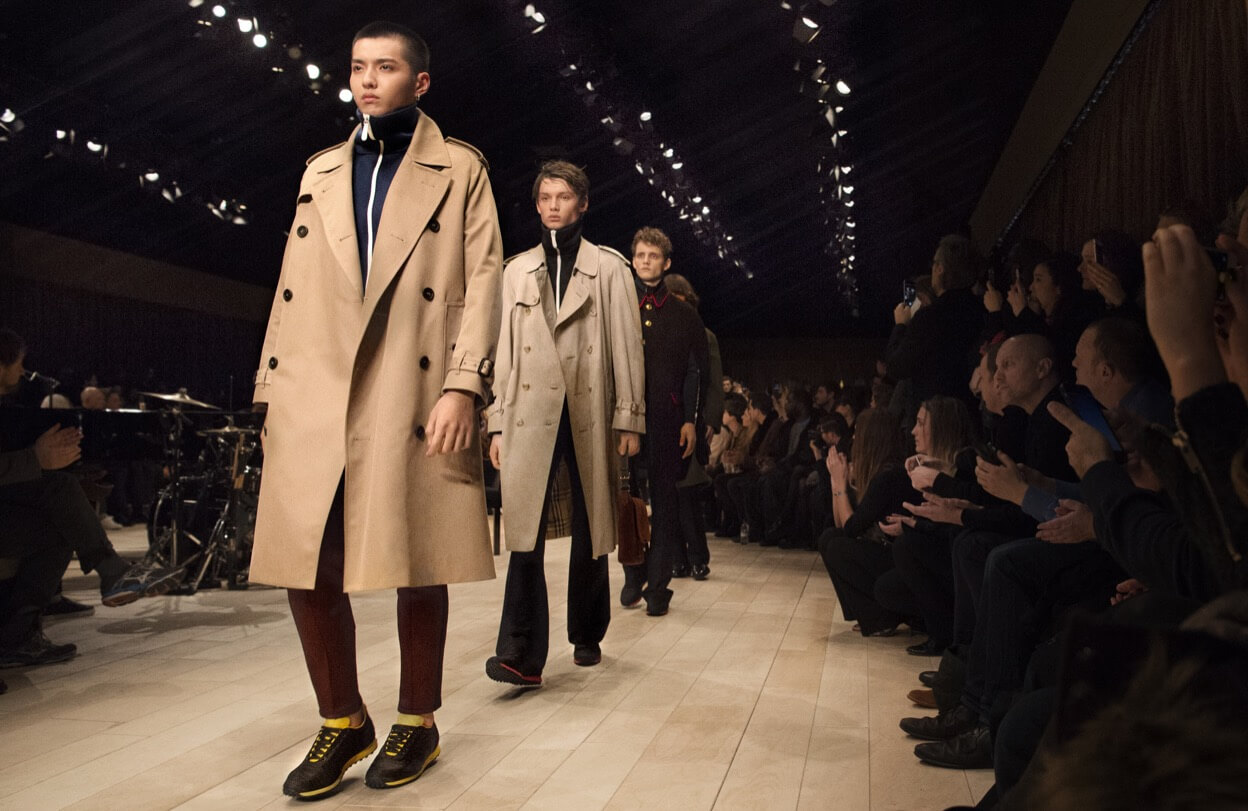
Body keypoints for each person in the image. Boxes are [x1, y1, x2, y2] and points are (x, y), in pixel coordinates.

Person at [247, 22, 503, 799]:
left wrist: (464, 383)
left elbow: (484, 278)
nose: (367, 79)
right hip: (315, 384)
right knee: (305, 559)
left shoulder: (459, 168)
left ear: (419, 83)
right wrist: (269, 388)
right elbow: (290, 290)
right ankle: (342, 718)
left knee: (415, 555)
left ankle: (417, 720)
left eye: (385, 67)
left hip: (411, 379)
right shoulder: (322, 168)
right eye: (358, 67)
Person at [484, 160, 645, 685]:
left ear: (583, 203)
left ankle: (587, 633)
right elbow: (504, 354)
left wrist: (629, 418)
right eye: (546, 197)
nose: (554, 205)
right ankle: (519, 651)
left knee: (591, 520)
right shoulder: (516, 271)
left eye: (564, 197)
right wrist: (497, 423)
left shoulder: (611, 269)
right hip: (530, 412)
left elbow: (627, 347)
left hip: (588, 407)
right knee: (523, 528)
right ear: (537, 206)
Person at [621, 227, 710, 616]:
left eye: (652, 256)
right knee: (627, 500)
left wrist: (691, 421)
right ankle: (632, 572)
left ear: (666, 262)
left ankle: (658, 586)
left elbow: (696, 370)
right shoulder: (619, 306)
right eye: (639, 255)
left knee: (667, 501)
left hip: (667, 420)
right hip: (624, 419)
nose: (645, 261)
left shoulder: (684, 314)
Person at [817, 408, 918, 636]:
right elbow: (839, 524)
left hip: (901, 554)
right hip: (887, 549)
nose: (853, 439)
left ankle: (881, 616)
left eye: (858, 433)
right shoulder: (880, 471)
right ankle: (870, 613)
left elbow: (851, 528)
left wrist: (841, 485)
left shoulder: (888, 475)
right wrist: (836, 484)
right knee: (829, 538)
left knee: (837, 546)